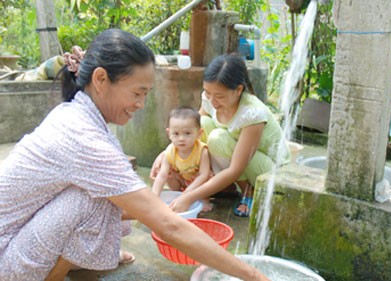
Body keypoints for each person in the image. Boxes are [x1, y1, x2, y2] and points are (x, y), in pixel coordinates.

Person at [0, 29, 270, 281]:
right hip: (7, 257)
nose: (141, 104)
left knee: (106, 193)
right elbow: (169, 228)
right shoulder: (82, 137)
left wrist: (159, 209)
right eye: (137, 93)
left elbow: (138, 207)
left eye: (146, 94)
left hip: (18, 237)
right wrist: (256, 276)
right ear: (101, 79)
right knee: (90, 199)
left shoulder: (76, 113)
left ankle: (81, 259)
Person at [151, 54, 290, 217]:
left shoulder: (253, 113)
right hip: (241, 158)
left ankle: (248, 192)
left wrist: (188, 197)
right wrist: (165, 154)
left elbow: (235, 170)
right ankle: (224, 186)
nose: (212, 101)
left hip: (271, 169)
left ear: (238, 90)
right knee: (202, 122)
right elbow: (193, 127)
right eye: (208, 93)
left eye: (219, 96)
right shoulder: (210, 99)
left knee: (217, 139)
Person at [151, 106, 212, 212]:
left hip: (197, 182)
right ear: (169, 134)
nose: (181, 139)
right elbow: (162, 175)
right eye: (176, 134)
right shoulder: (169, 152)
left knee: (207, 179)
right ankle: (176, 194)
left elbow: (204, 175)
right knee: (169, 174)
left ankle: (204, 199)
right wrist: (153, 196)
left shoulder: (202, 151)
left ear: (199, 133)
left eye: (187, 133)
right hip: (183, 179)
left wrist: (187, 193)